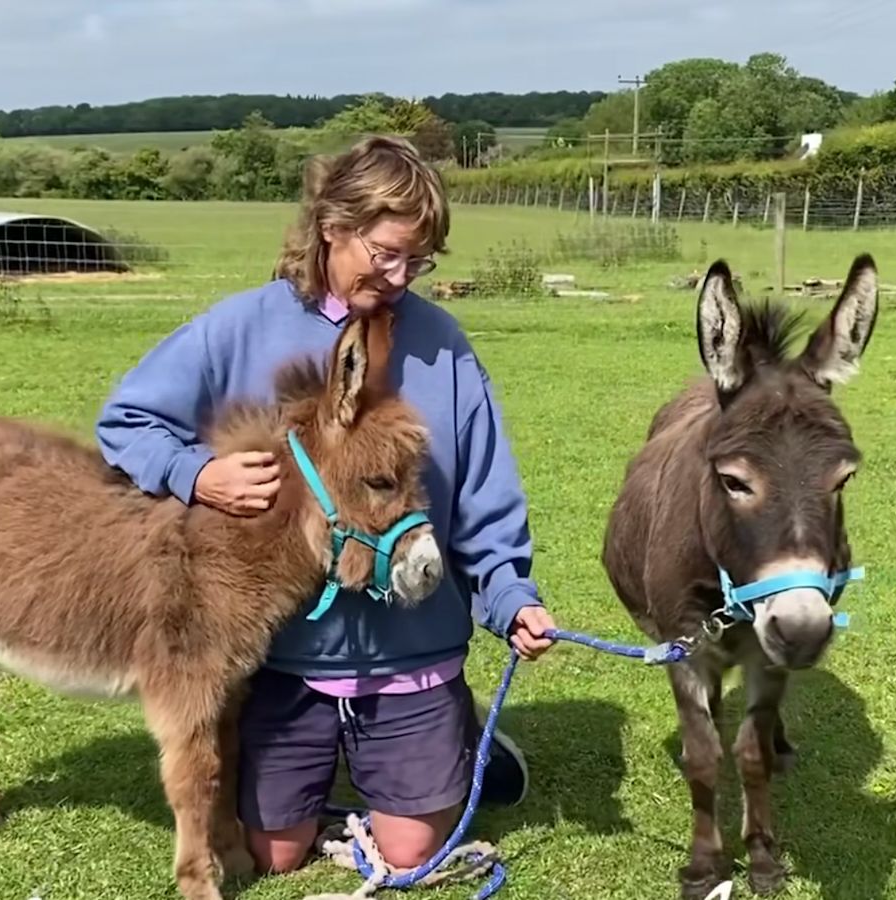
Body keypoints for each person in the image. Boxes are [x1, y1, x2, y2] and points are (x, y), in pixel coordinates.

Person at [95, 134, 556, 874]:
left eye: (419, 260)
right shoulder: (238, 327)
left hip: (413, 648)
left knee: (409, 849)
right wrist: (194, 474)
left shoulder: (445, 345)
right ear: (332, 226)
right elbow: (126, 421)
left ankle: (448, 741)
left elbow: (483, 496)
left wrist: (511, 599)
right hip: (284, 658)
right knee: (274, 855)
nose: (402, 276)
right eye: (386, 253)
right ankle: (368, 770)